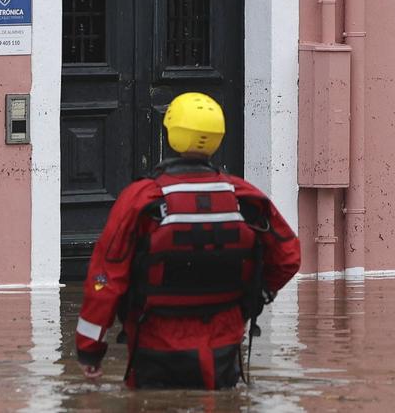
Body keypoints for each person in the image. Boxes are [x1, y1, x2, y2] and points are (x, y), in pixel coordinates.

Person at [75, 93, 302, 390]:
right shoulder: (245, 197)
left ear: (170, 134)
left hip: (155, 347)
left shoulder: (142, 200)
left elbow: (104, 281)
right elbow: (288, 258)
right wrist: (247, 303)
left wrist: (89, 350)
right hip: (223, 349)